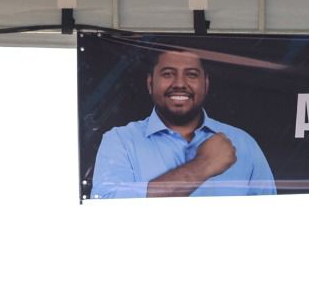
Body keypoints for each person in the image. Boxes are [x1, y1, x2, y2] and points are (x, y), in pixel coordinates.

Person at [90, 47, 277, 199]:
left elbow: (270, 222)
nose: (180, 83)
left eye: (192, 74)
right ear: (150, 84)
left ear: (206, 84)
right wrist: (203, 165)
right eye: (168, 74)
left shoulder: (244, 144)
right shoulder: (120, 141)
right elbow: (107, 211)